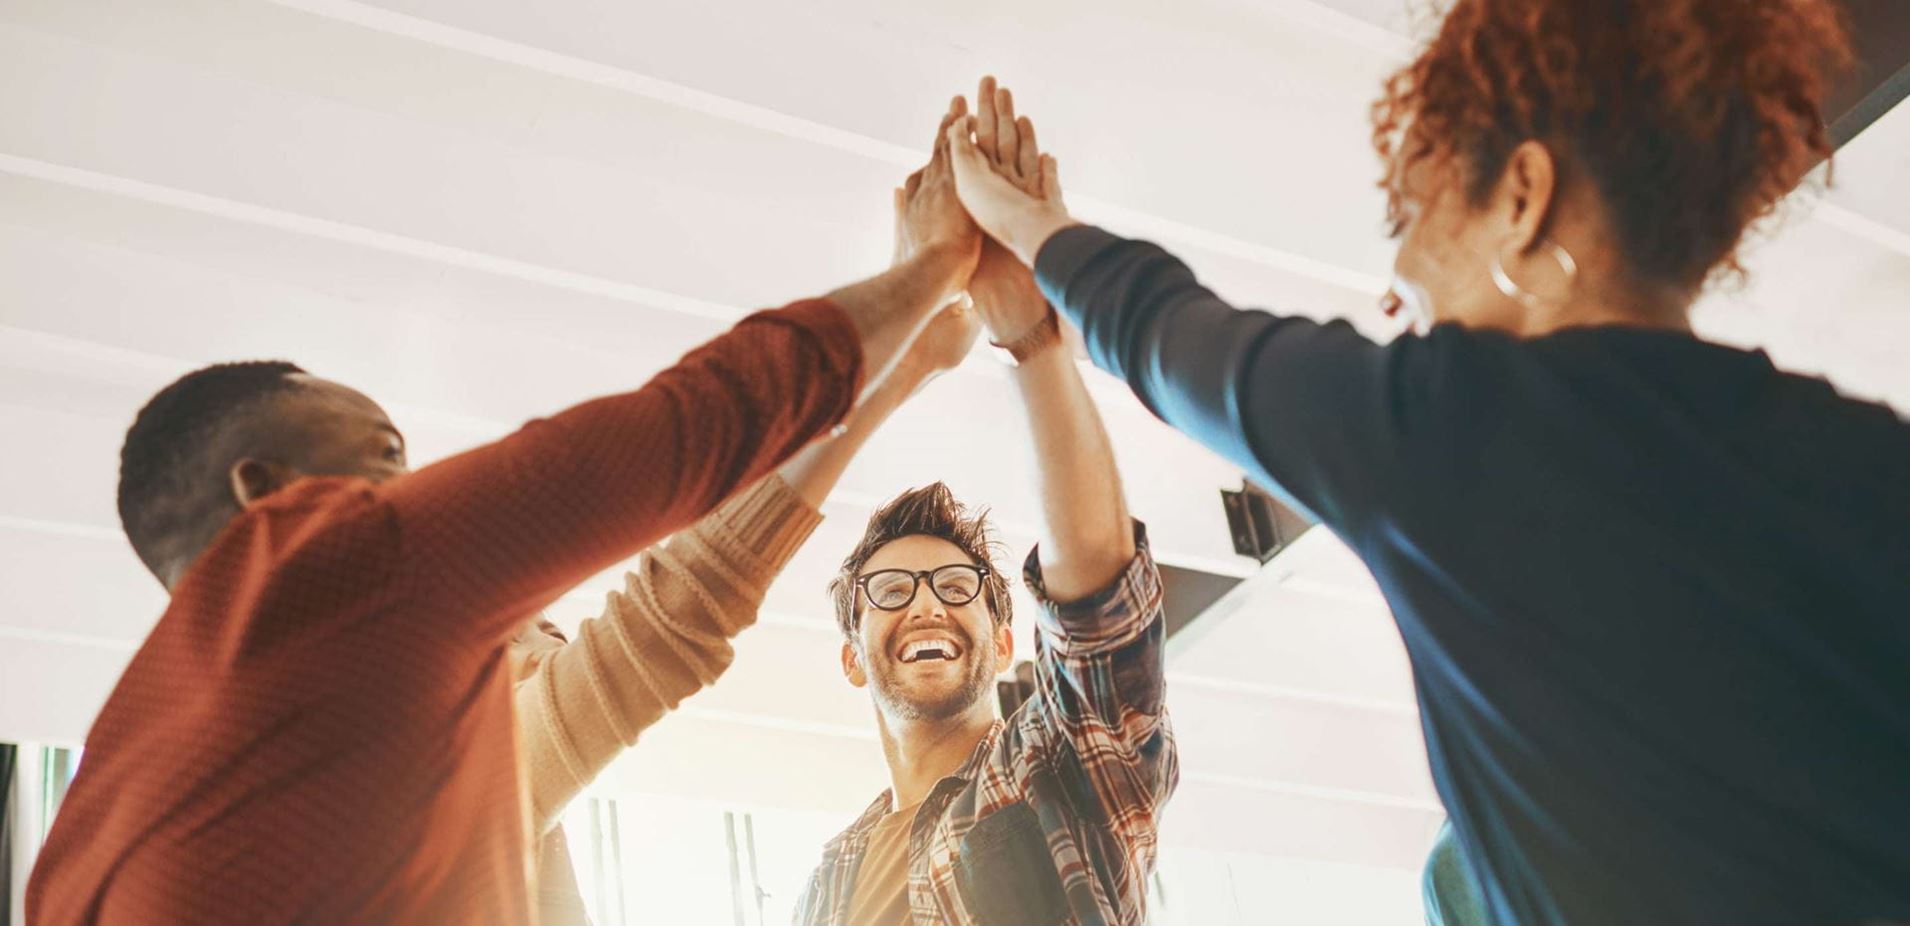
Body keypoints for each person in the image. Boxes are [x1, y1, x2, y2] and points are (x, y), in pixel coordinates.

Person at [942, 0, 1910, 917]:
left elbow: (1166, 332)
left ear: (1522, 196)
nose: (1397, 287)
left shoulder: (1456, 424)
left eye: (1412, 220)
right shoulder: (1867, 459)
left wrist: (1029, 223)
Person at [25, 126, 985, 924]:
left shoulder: (89, 847)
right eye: (385, 456)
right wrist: (929, 266)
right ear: (266, 490)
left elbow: (665, 624)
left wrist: (898, 376)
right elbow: (690, 428)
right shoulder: (318, 571)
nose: (409, 493)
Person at [512, 217, 983, 924]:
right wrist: (903, 349)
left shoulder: (505, 844)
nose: (559, 645)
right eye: (528, 632)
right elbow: (677, 609)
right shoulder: (472, 780)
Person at [792, 96, 1177, 926]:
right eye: (891, 592)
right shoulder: (827, 884)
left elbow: (1100, 610)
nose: (927, 601)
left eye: (956, 586)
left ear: (1005, 644)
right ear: (853, 658)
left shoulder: (1054, 768)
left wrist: (1029, 335)